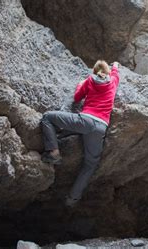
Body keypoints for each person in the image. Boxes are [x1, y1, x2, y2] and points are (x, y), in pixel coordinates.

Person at [40, 60, 120, 207]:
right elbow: (115, 72)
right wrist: (115, 65)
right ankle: (72, 199)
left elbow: (77, 98)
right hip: (101, 127)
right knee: (90, 164)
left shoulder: (90, 80)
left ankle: (54, 153)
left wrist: (80, 84)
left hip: (84, 121)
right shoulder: (113, 81)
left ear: (94, 72)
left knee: (47, 117)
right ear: (108, 72)